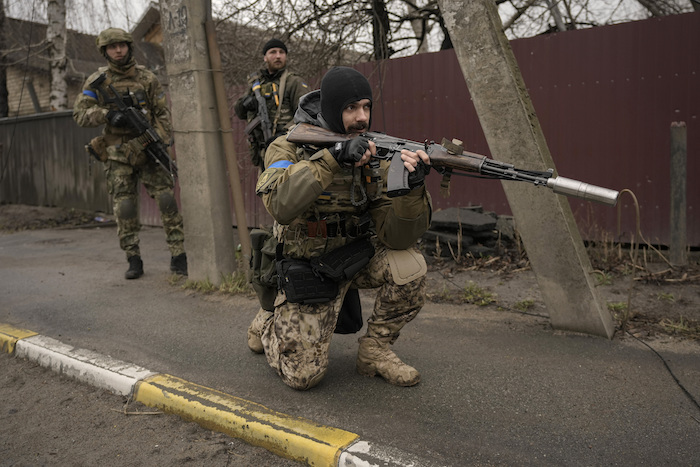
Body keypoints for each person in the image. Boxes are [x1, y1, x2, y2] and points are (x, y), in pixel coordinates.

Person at [247, 66, 433, 390]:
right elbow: (280, 205)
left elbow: (397, 237)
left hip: (354, 259)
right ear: (332, 110)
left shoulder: (376, 155)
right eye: (351, 108)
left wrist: (412, 191)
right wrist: (333, 159)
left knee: (410, 265)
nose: (361, 117)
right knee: (303, 377)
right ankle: (269, 321)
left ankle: (374, 351)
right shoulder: (286, 147)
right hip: (307, 267)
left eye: (366, 107)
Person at [73, 28, 187, 280]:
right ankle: (133, 258)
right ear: (105, 51)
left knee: (167, 199)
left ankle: (178, 255)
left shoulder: (147, 77)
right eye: (112, 47)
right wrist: (106, 114)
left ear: (129, 47)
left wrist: (156, 139)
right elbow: (80, 114)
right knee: (124, 206)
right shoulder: (96, 81)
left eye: (122, 45)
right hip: (116, 153)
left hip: (148, 148)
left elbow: (162, 115)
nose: (118, 50)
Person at [234, 38, 309, 169]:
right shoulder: (257, 84)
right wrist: (246, 103)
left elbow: (306, 114)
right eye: (273, 52)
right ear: (265, 58)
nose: (278, 56)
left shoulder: (293, 82)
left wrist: (283, 134)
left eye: (281, 52)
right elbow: (240, 113)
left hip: (286, 149)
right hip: (263, 151)